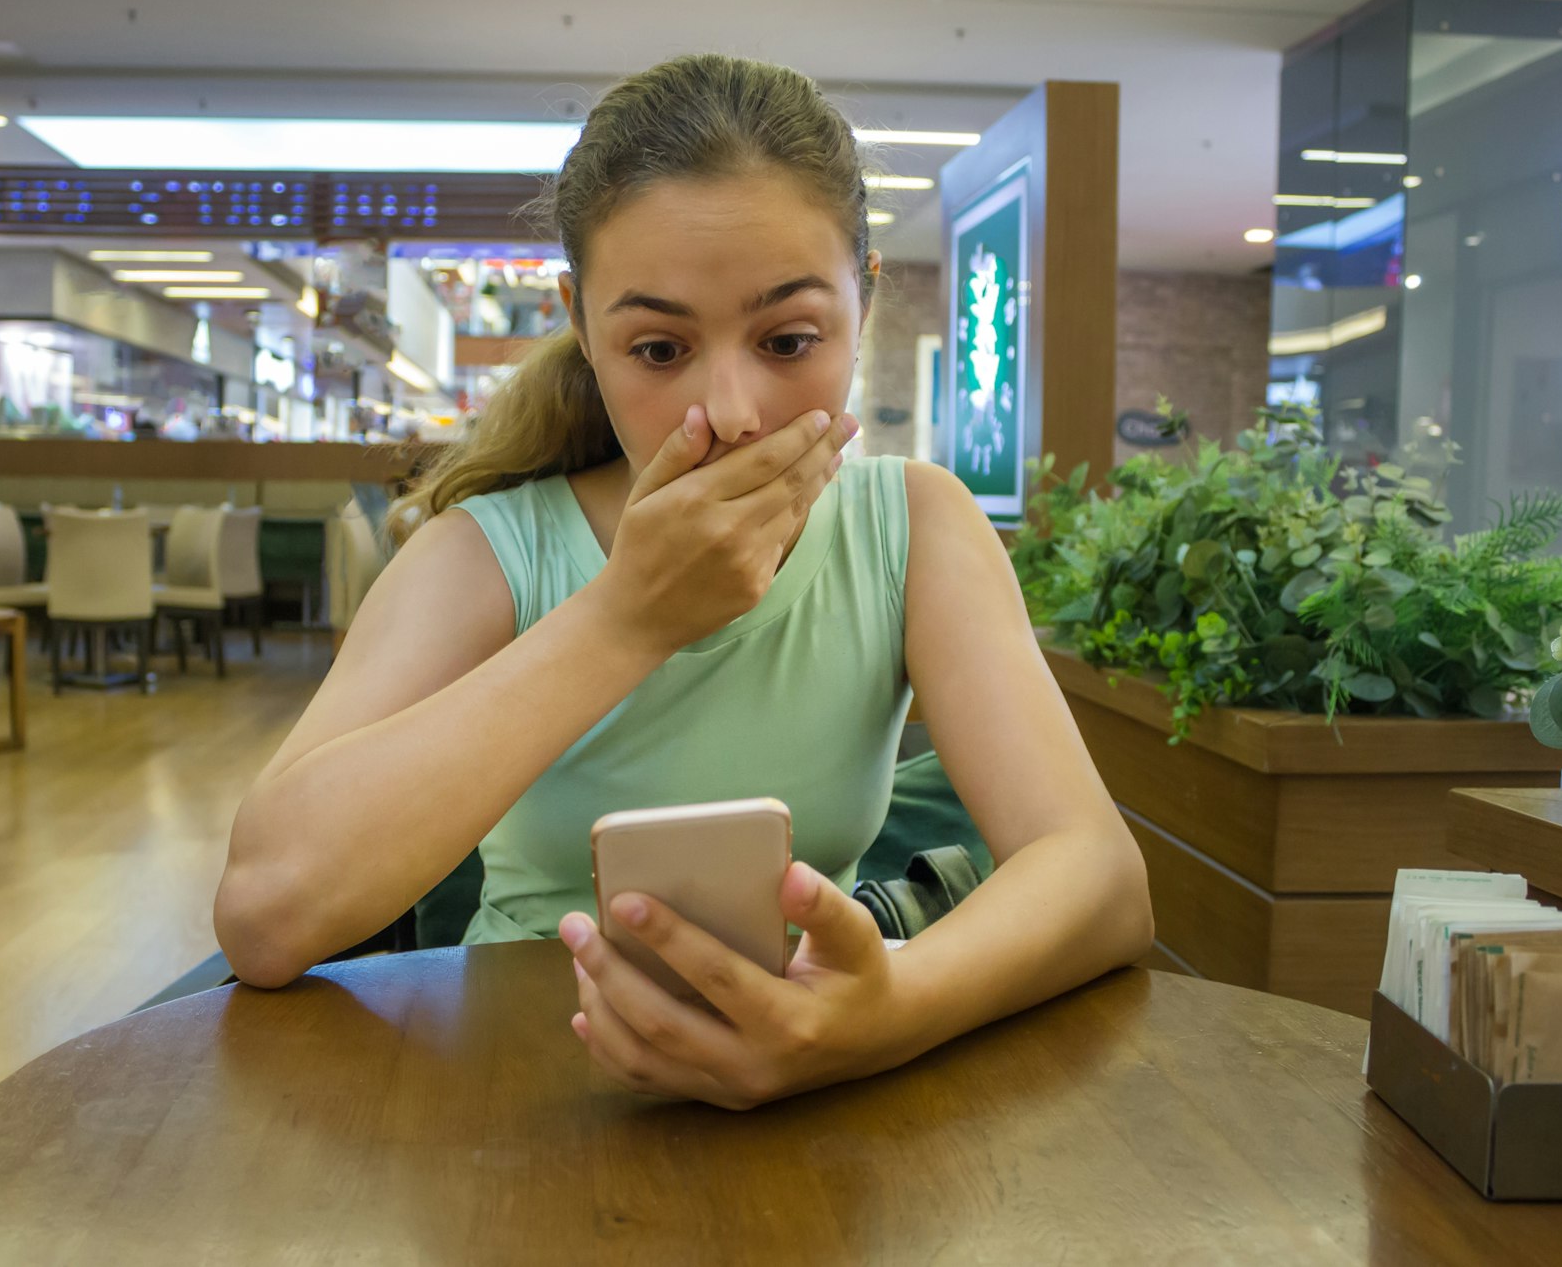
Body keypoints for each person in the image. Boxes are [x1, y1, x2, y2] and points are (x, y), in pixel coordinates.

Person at [215, 54, 1153, 1109]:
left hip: (824, 1102)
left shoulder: (916, 525)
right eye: (658, 349)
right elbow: (265, 913)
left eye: (788, 339)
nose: (733, 409)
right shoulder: (487, 552)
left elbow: (1101, 879)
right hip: (513, 1095)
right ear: (581, 324)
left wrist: (887, 1009)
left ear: (864, 299)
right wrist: (629, 615)